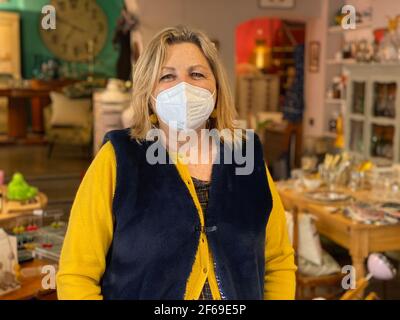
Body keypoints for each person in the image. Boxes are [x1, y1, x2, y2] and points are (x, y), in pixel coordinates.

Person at [57, 26, 296, 300]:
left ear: (216, 88)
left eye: (197, 74)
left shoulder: (246, 157)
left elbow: (278, 262)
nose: (184, 87)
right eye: (167, 76)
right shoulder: (117, 158)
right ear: (149, 93)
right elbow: (77, 275)